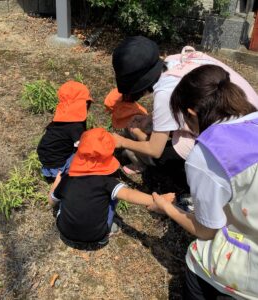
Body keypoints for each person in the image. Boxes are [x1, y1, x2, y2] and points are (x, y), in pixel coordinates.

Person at [152, 64, 258, 299]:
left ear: (192, 113)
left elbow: (206, 231)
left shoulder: (208, 154)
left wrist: (168, 208)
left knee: (198, 254)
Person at [112, 36, 258, 194]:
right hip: (249, 118)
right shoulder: (174, 61)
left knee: (164, 161)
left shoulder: (165, 93)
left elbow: (155, 149)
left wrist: (121, 141)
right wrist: (150, 119)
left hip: (233, 142)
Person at [48, 127, 174, 246]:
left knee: (63, 200)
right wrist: (157, 200)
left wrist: (57, 182)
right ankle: (107, 231)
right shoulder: (106, 182)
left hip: (64, 232)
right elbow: (129, 194)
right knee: (114, 196)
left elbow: (51, 201)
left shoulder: (67, 179)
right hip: (97, 236)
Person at [37, 80, 93, 186]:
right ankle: (62, 176)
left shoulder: (62, 117)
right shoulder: (76, 126)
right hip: (57, 163)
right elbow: (83, 147)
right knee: (87, 157)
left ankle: (51, 174)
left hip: (46, 158)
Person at [104, 88, 154, 174]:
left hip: (150, 151)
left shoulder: (136, 121)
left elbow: (147, 142)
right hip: (146, 141)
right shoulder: (133, 112)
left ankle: (140, 166)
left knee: (128, 150)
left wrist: (127, 140)